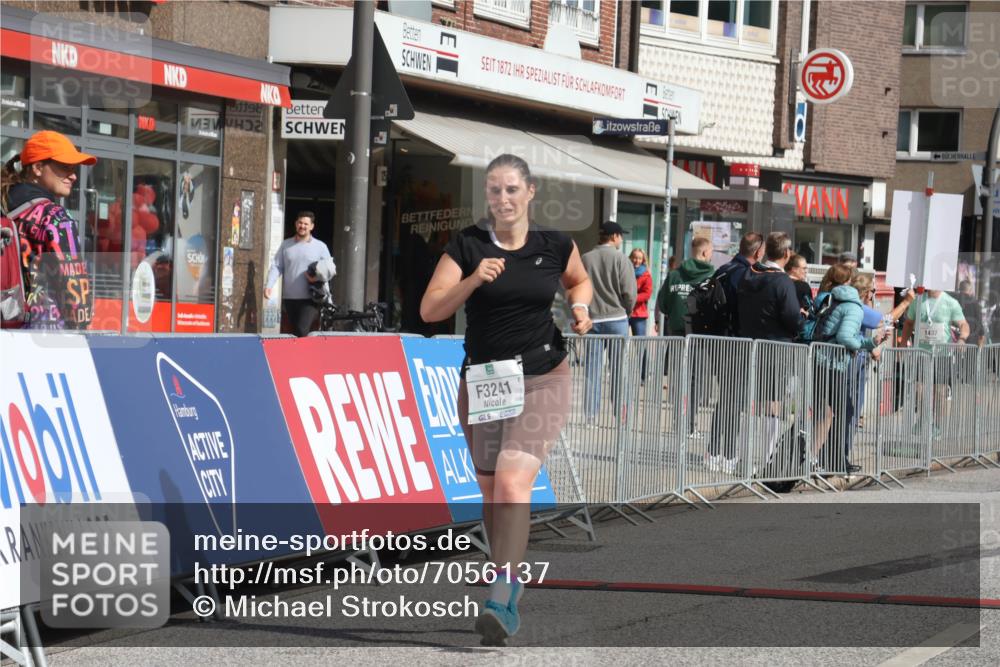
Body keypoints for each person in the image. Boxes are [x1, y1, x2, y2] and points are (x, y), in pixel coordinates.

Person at [419, 154, 592, 645]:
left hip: (542, 376)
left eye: (512, 189)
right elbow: (430, 308)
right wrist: (474, 280)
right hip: (486, 381)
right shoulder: (467, 246)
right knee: (493, 490)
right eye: (494, 191)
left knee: (514, 482)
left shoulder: (555, 245)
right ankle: (508, 582)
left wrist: (580, 308)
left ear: (530, 192)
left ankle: (500, 593)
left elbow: (578, 280)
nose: (503, 199)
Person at [0, 130, 95, 330]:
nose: (74, 176)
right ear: (38, 167)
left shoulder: (4, 208)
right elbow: (76, 298)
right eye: (65, 167)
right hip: (43, 334)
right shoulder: (56, 217)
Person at [810, 264, 884, 474]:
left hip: (819, 360)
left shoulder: (826, 297)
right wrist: (868, 345)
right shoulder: (852, 306)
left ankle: (821, 458)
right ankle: (829, 460)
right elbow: (844, 337)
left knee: (827, 413)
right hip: (833, 363)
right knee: (843, 411)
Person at [704, 232, 765, 473]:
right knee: (734, 399)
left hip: (718, 341)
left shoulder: (722, 269)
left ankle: (715, 450)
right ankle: (727, 453)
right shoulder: (744, 274)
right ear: (758, 252)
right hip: (735, 342)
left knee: (727, 398)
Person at [581, 221, 636, 419]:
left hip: (592, 318)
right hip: (617, 318)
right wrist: (626, 311)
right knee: (619, 370)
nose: (621, 239)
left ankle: (591, 416)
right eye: (621, 236)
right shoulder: (621, 259)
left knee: (592, 370)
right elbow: (629, 292)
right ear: (614, 237)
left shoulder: (585, 259)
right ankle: (621, 414)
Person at [900, 288, 970, 437]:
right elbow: (908, 323)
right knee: (920, 389)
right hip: (922, 353)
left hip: (942, 354)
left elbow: (964, 324)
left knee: (940, 392)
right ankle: (923, 419)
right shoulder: (918, 301)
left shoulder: (951, 302)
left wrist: (962, 339)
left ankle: (937, 425)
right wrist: (902, 345)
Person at [264, 211, 332, 337]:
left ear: (312, 226)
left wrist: (315, 277)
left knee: (302, 329)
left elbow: (330, 271)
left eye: (306, 224)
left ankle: (303, 355)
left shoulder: (320, 246)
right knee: (294, 332)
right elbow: (277, 266)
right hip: (290, 298)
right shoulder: (286, 245)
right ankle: (300, 355)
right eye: (300, 223)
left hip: (311, 298)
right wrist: (269, 285)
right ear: (296, 224)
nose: (302, 226)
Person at [737, 232, 800, 342]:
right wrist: (803, 318)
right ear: (786, 253)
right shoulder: (783, 281)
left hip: (749, 344)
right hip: (776, 347)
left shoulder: (748, 273)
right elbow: (793, 318)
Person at [657, 236, 715, 337]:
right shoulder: (712, 277)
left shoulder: (673, 275)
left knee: (675, 353)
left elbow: (662, 304)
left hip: (675, 331)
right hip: (701, 334)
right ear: (705, 253)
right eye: (711, 252)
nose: (711, 256)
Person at [628, 248, 652, 337]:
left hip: (638, 313)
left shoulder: (646, 275)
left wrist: (632, 298)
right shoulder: (624, 271)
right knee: (620, 342)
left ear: (643, 260)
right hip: (624, 312)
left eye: (639, 258)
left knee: (640, 344)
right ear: (630, 258)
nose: (636, 261)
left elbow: (647, 294)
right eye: (634, 258)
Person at [955, 280, 985, 346]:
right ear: (970, 290)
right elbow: (979, 321)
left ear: (959, 288)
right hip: (971, 339)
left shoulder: (953, 301)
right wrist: (982, 334)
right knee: (970, 356)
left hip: (955, 338)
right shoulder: (975, 303)